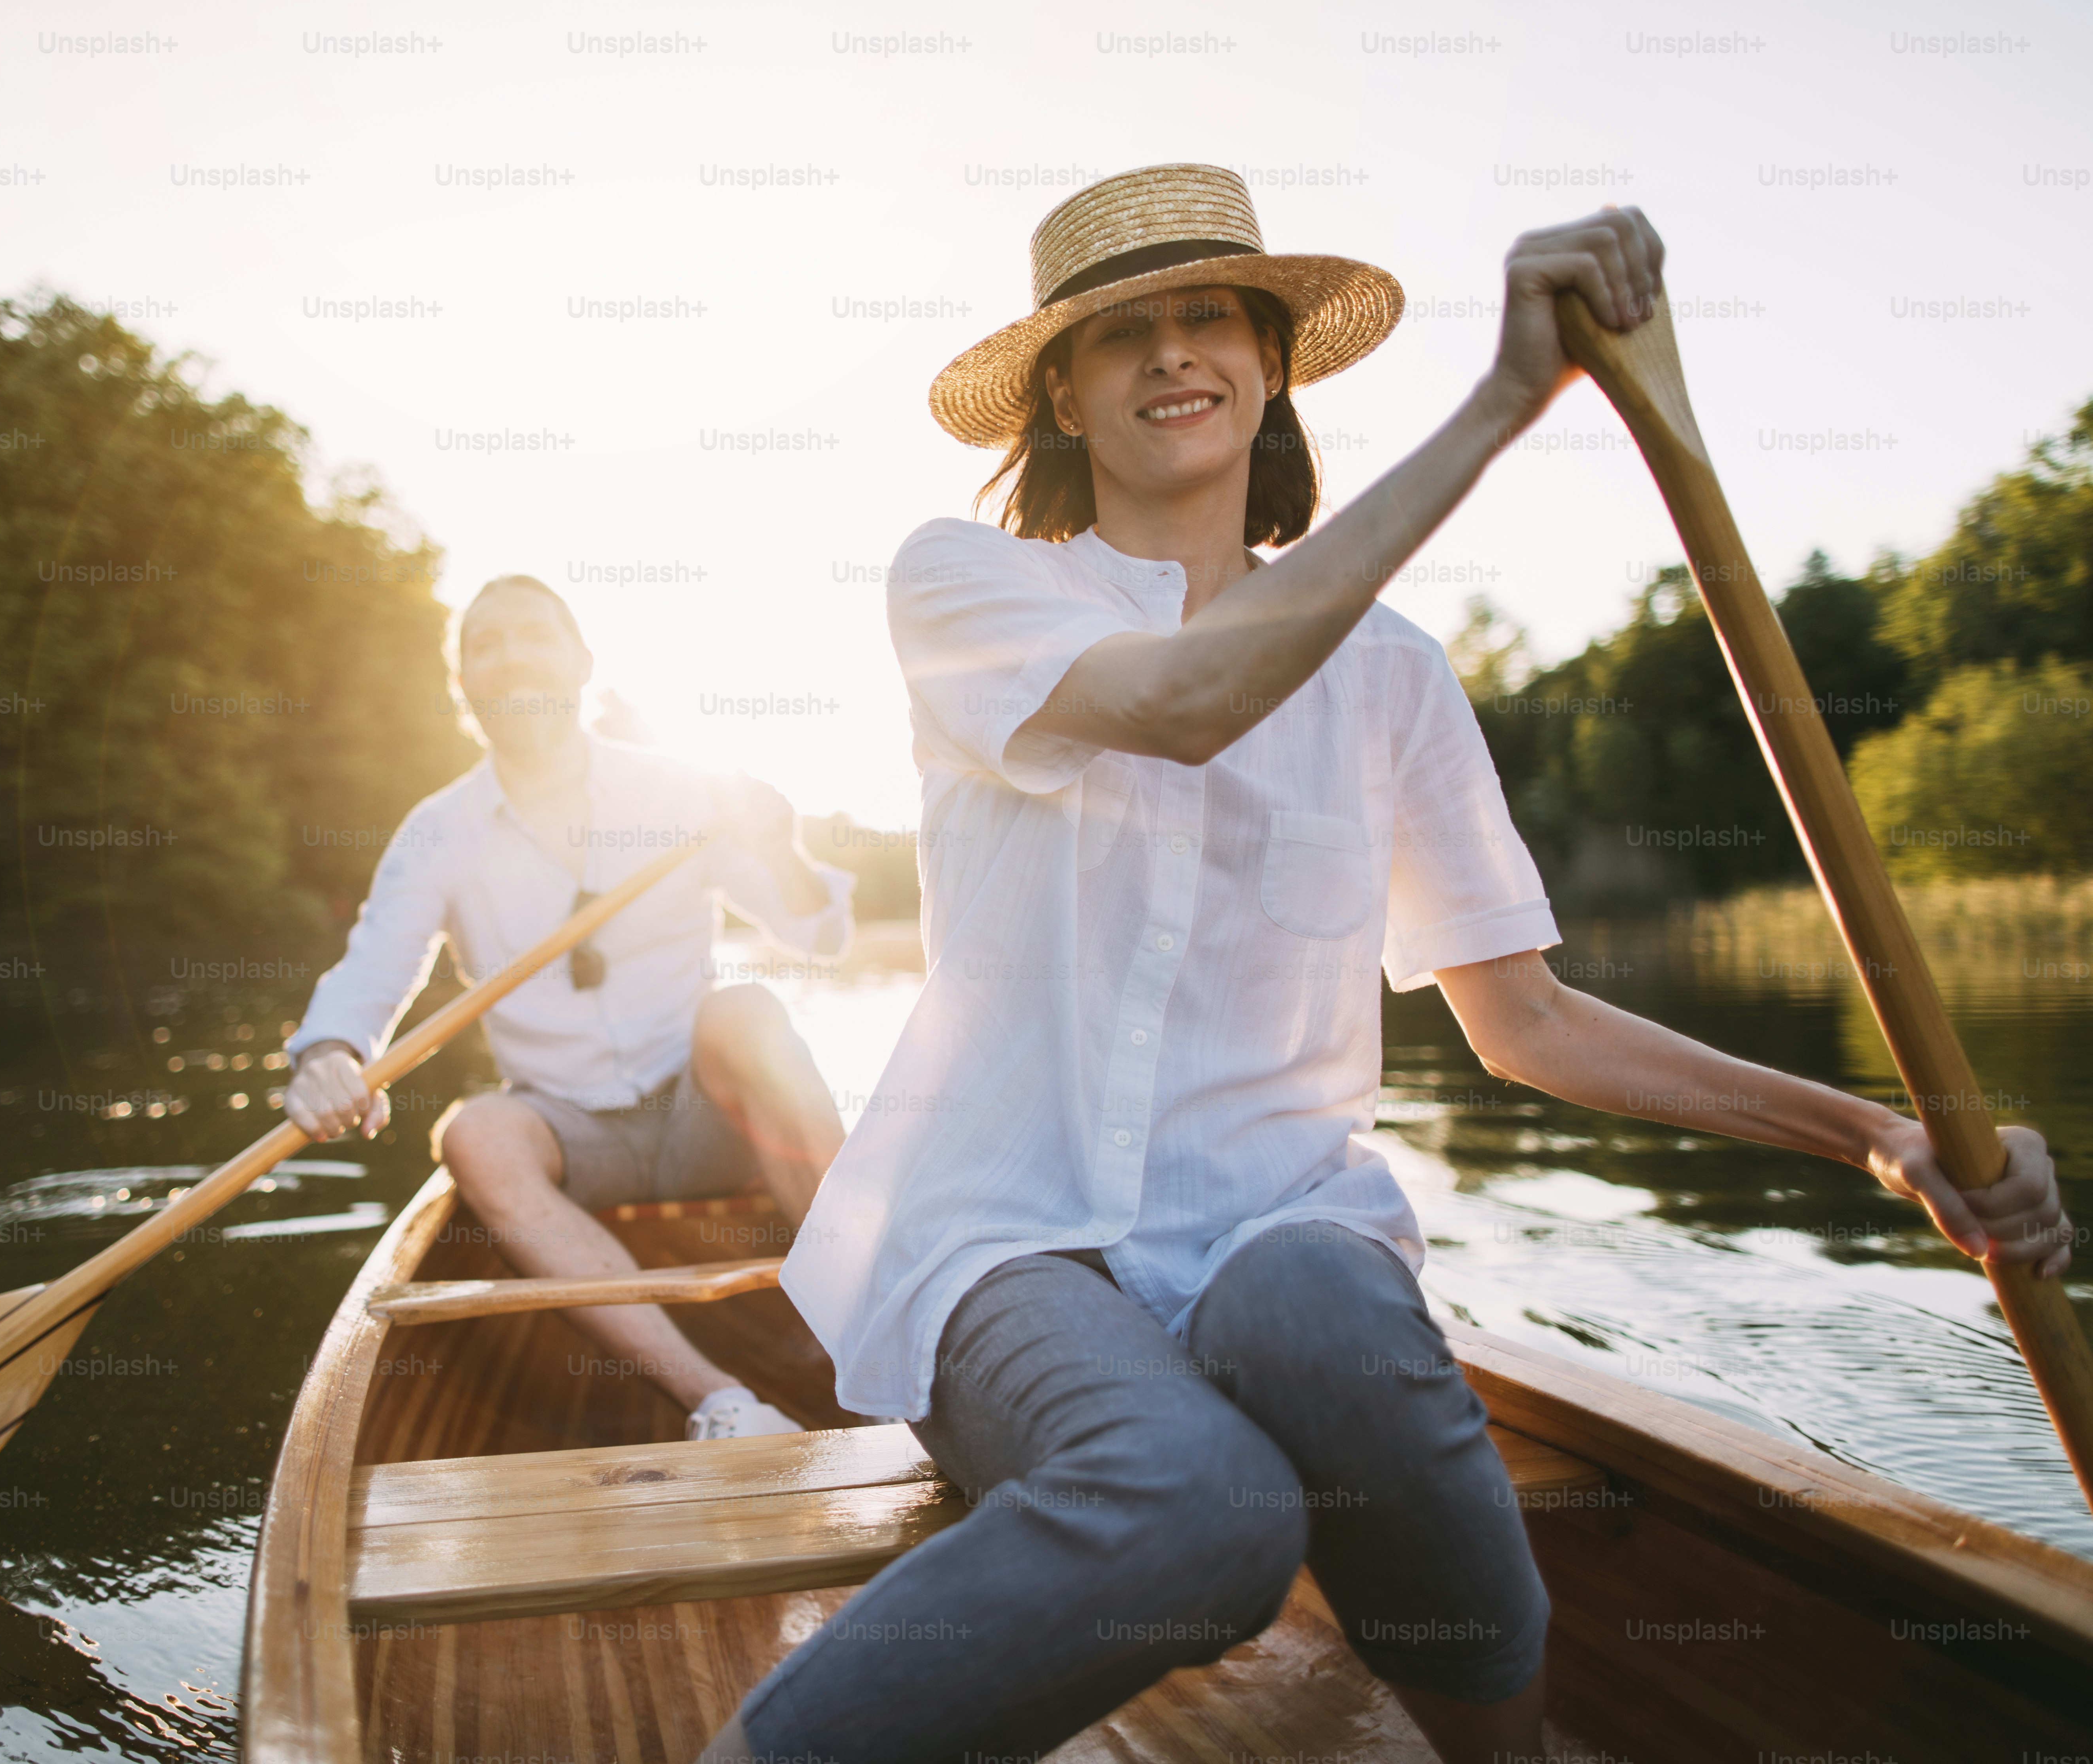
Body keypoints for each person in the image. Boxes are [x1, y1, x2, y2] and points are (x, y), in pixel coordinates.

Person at [711, 165, 2075, 1761]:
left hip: (1271, 1218)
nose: (1172, 354)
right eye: (1121, 334)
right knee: (1203, 1506)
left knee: (1328, 1307)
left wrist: (1880, 1137)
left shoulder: (1397, 677)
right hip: (1006, 1239)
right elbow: (1183, 702)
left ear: (1274, 361)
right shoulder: (968, 582)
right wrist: (1506, 401)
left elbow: (1530, 1021)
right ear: (1066, 400)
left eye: (1209, 314)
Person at [284, 573, 857, 1438]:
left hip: (707, 1112)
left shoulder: (681, 790)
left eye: (534, 635)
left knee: (746, 1012)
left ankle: (879, 1324)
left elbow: (818, 933)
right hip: (573, 1132)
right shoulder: (438, 830)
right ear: (464, 685)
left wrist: (780, 849)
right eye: (486, 644)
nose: (512, 656)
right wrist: (329, 1052)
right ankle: (723, 1402)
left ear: (582, 661)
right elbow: (373, 970)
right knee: (473, 1133)